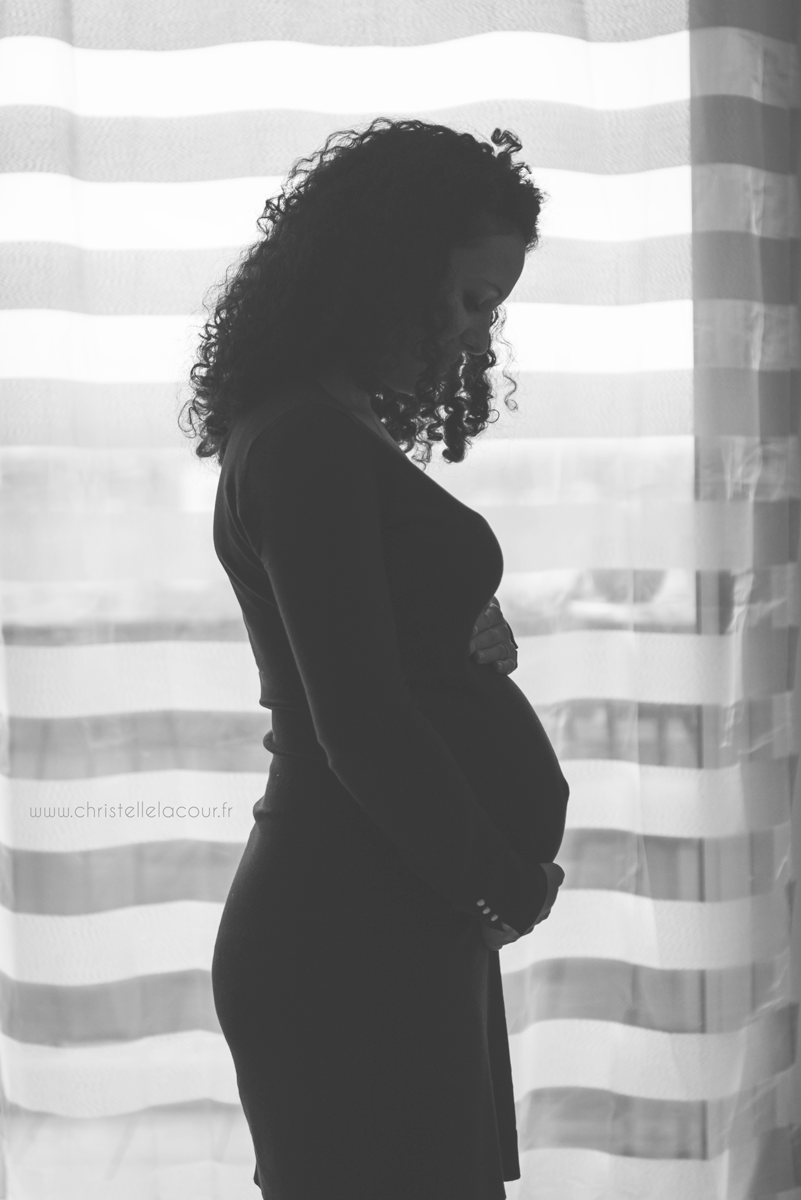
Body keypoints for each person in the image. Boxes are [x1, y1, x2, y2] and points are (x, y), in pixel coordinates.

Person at [179, 117, 569, 1200]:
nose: (475, 338)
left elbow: (379, 656)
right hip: (346, 941)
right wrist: (507, 882)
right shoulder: (302, 440)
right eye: (471, 299)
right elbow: (357, 719)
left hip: (392, 917)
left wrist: (459, 627)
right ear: (389, 267)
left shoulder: (324, 429)